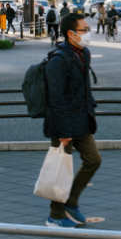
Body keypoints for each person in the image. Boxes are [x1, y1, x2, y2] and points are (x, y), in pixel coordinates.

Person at [43, 12, 100, 227]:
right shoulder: (58, 60)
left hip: (81, 120)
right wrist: (62, 132)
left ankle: (71, 202)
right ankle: (55, 216)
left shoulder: (83, 53)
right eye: (84, 30)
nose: (87, 33)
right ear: (70, 33)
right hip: (63, 123)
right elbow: (55, 99)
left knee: (93, 160)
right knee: (61, 169)